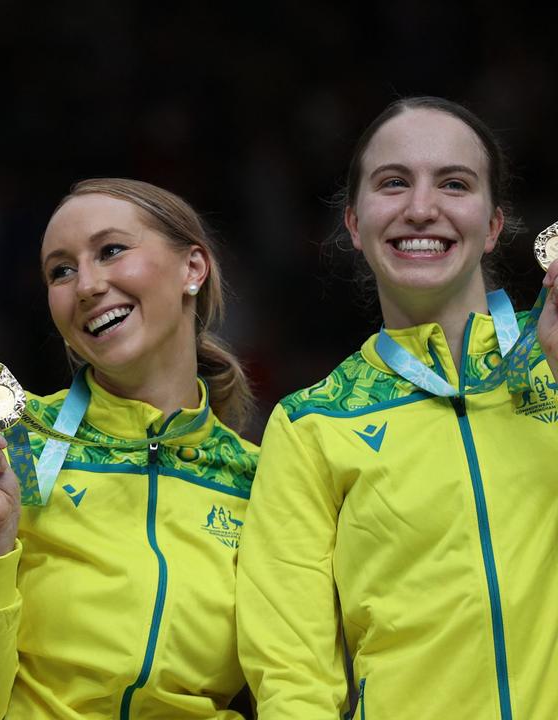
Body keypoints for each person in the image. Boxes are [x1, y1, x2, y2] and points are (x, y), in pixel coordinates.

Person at [237, 96, 558, 719]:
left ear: (494, 224)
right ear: (355, 226)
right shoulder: (314, 424)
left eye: (454, 184)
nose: (421, 207)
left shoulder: (552, 348)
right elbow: (292, 672)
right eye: (393, 183)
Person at [0, 178, 260, 719]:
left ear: (193, 269)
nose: (86, 285)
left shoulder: (257, 480)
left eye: (111, 251)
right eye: (62, 270)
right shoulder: (13, 443)